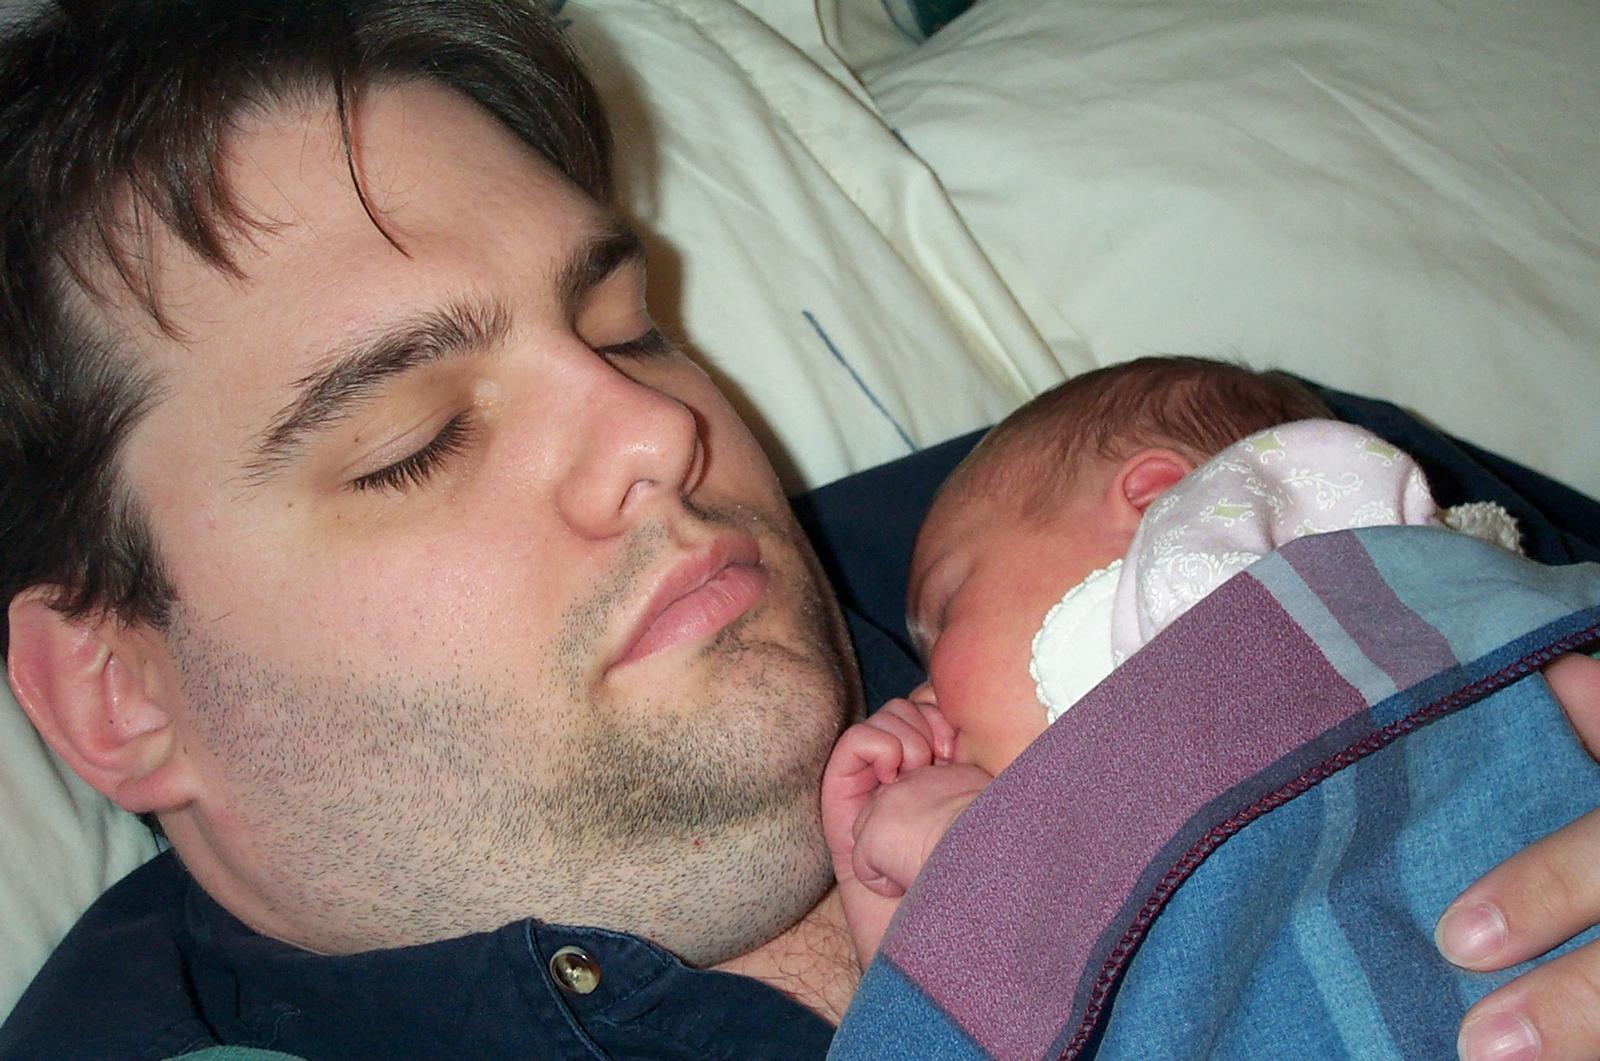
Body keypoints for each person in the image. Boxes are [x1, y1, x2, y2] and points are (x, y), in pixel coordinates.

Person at [0, 3, 1595, 1059]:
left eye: (625, 327)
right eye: (417, 442)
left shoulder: (1145, 491)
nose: (657, 430)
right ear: (116, 694)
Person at [821, 358, 1596, 973]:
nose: (925, 690)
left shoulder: (1288, 625)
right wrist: (909, 924)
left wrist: (983, 864)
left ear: (1166, 499)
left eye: (951, 607)